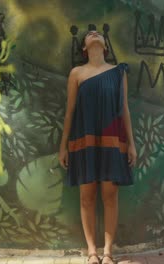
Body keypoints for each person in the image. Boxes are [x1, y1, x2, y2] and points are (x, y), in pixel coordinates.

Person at [58, 30, 137, 264]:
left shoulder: (118, 72)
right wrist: (63, 146)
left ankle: (108, 252)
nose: (94, 34)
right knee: (86, 196)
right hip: (84, 140)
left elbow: (124, 109)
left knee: (110, 195)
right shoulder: (77, 73)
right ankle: (92, 251)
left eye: (99, 33)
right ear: (84, 48)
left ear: (105, 45)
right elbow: (70, 111)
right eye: (90, 34)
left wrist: (131, 144)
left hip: (113, 139)